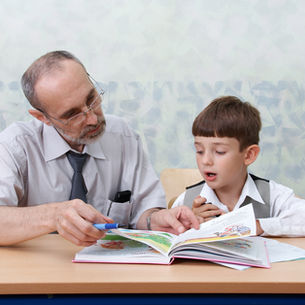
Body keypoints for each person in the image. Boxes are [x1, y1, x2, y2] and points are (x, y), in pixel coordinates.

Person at [0, 50, 199, 246]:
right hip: (37, 272)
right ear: (42, 118)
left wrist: (155, 220)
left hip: (110, 271)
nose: (93, 119)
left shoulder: (122, 136)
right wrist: (54, 215)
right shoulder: (15, 146)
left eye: (91, 99)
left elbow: (145, 213)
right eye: (72, 114)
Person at [172, 96, 305, 236]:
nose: (205, 160)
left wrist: (255, 225)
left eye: (219, 151)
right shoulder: (186, 200)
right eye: (199, 151)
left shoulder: (271, 194)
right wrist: (189, 226)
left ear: (248, 155)